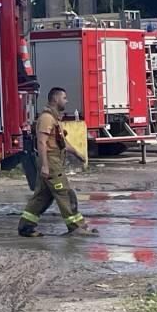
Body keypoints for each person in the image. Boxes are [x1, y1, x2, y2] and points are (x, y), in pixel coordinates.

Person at [18, 87, 98, 237]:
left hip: (54, 161)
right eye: (64, 98)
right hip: (51, 162)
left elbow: (62, 142)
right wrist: (45, 165)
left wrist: (78, 154)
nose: (66, 101)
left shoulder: (55, 119)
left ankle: (26, 227)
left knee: (43, 196)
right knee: (65, 193)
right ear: (55, 99)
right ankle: (76, 227)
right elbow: (41, 143)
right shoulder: (46, 119)